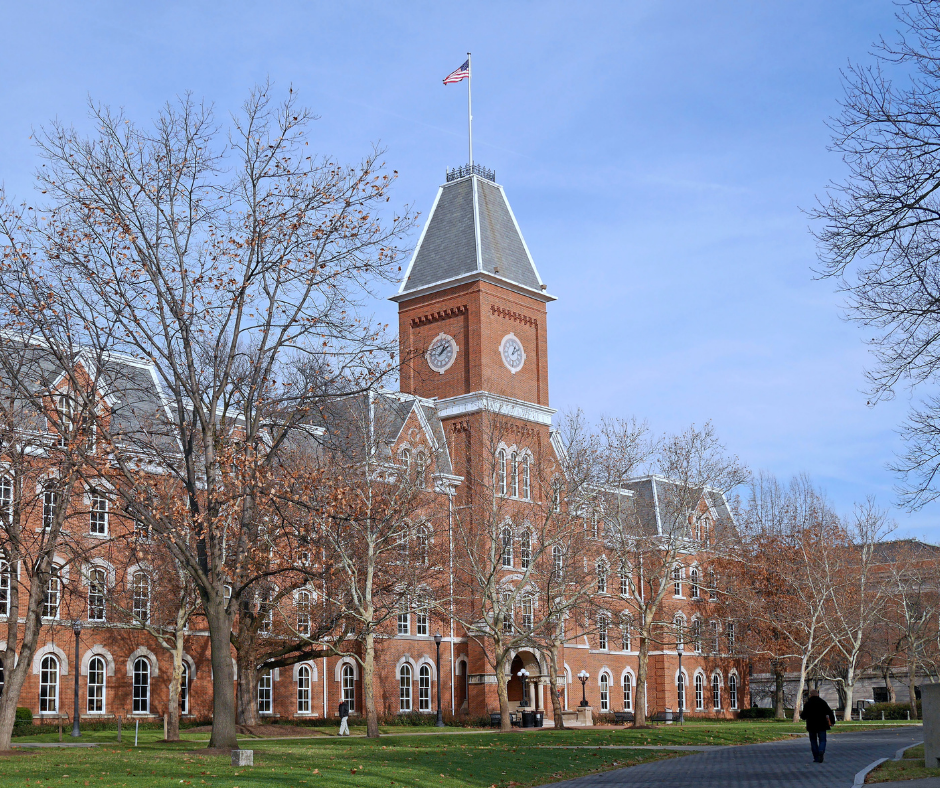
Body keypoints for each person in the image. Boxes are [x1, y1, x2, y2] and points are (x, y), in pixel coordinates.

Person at [799, 689, 836, 762]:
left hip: (811, 725)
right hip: (822, 724)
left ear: (810, 695)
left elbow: (803, 716)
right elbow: (829, 712)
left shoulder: (808, 703)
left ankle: (816, 757)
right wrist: (832, 721)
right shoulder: (822, 702)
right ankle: (821, 750)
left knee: (813, 741)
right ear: (818, 694)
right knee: (822, 740)